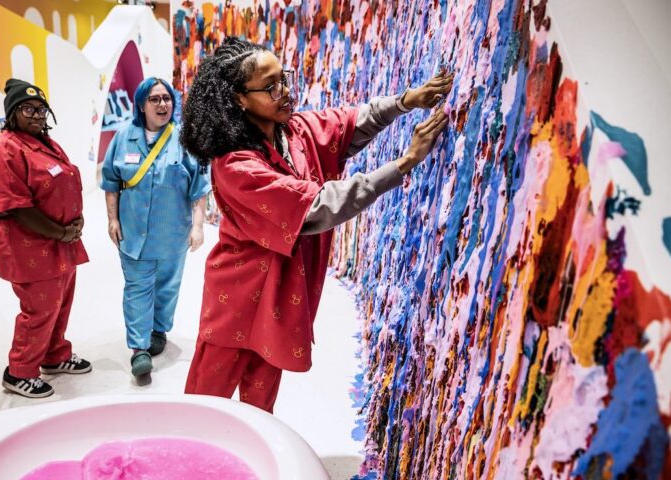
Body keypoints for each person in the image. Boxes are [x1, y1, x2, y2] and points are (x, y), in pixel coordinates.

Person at [179, 37, 452, 413]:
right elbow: (318, 207)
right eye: (270, 87)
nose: (284, 92)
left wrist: (408, 101)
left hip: (278, 296)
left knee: (259, 407)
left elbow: (351, 122)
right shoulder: (235, 165)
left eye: (284, 79)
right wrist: (405, 162)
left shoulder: (295, 132)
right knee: (206, 406)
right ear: (240, 99)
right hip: (238, 297)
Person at [0, 78, 92, 399]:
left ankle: (55, 356)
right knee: (39, 310)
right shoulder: (2, 150)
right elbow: (14, 208)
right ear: (11, 113)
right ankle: (20, 372)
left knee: (61, 304)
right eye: (27, 109)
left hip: (62, 242)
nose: (37, 115)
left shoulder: (45, 142)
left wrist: (74, 222)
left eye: (42, 109)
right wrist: (62, 230)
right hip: (33, 247)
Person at [101, 77, 211, 377]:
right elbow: (111, 182)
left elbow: (200, 188)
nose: (163, 104)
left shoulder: (186, 138)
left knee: (166, 287)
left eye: (167, 99)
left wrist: (198, 227)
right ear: (141, 104)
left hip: (172, 233)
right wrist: (112, 218)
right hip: (133, 233)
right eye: (155, 99)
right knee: (137, 287)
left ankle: (159, 330)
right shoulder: (124, 137)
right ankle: (139, 348)